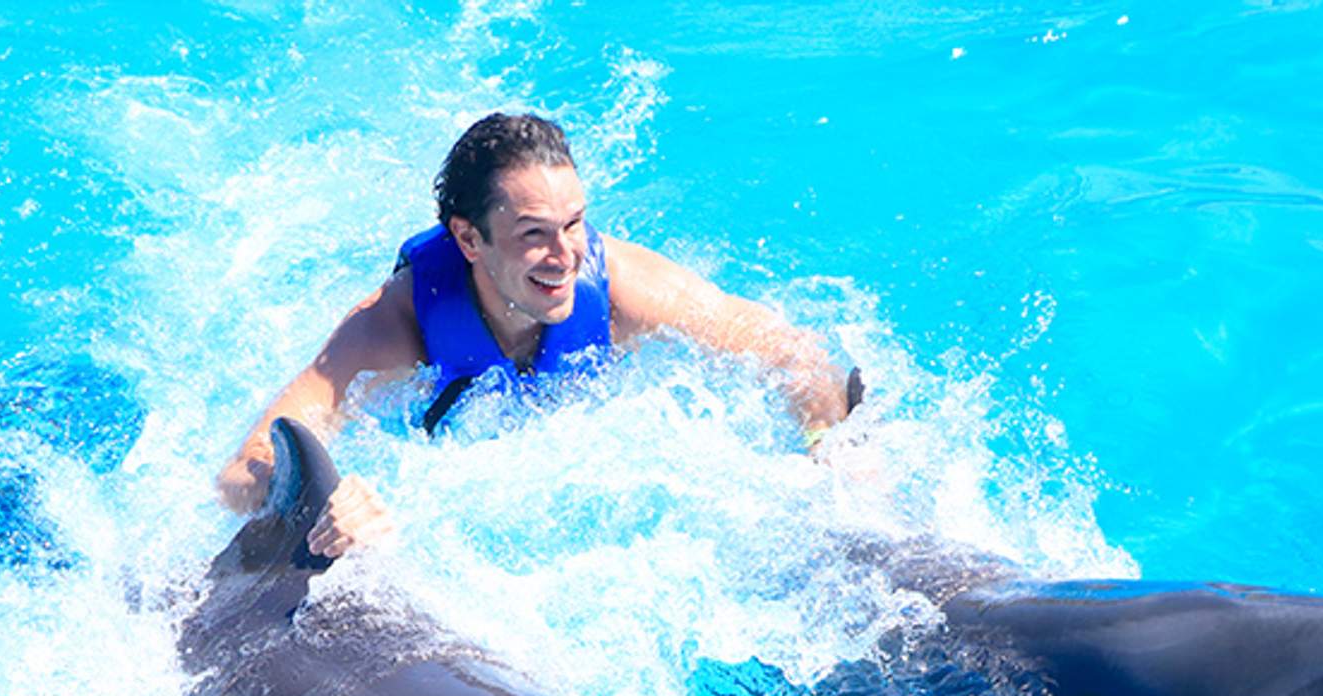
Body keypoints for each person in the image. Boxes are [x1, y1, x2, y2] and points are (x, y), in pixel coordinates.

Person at [213, 112, 861, 558]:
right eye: (533, 234)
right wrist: (319, 504)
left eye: (574, 224)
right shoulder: (394, 328)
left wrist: (829, 449)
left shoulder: (623, 290)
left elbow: (790, 351)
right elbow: (243, 470)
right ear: (469, 239)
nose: (566, 256)